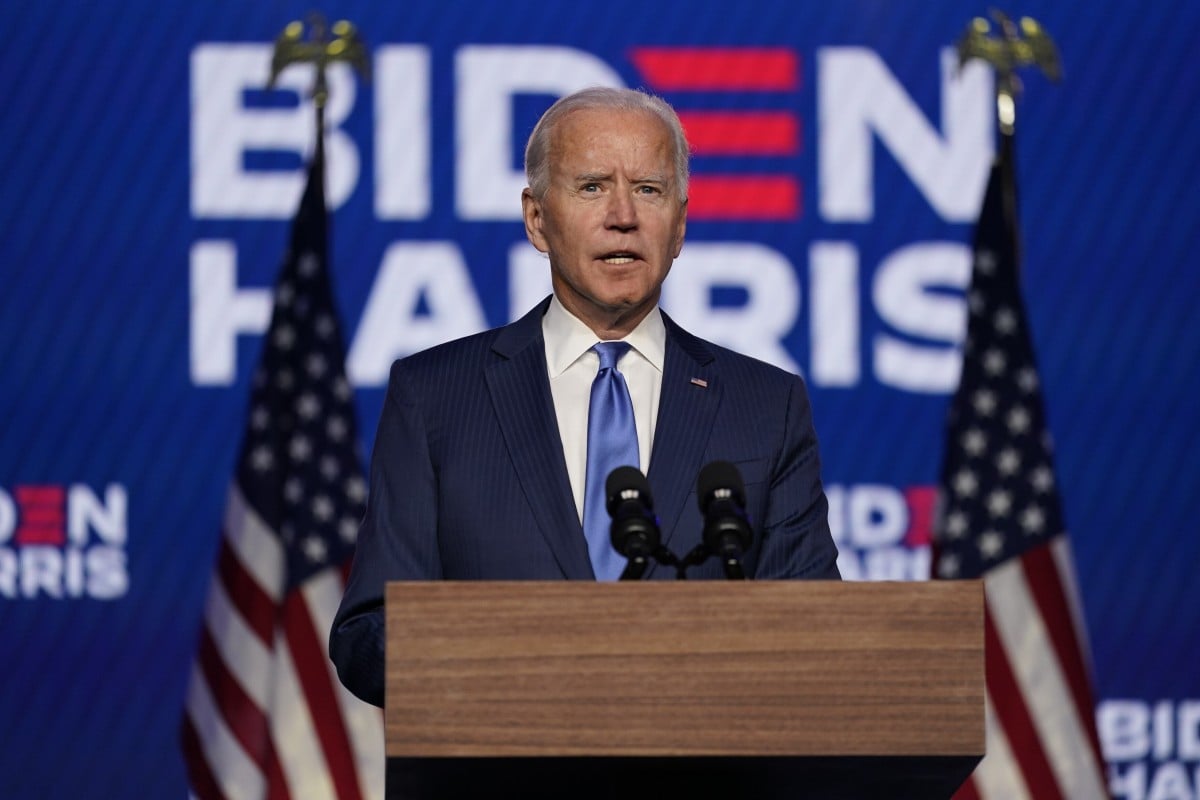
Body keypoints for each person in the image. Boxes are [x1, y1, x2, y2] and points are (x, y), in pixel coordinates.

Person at [330, 87, 840, 709]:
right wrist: (545, 667)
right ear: (537, 219)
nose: (622, 215)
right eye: (593, 186)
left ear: (679, 224)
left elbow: (813, 641)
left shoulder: (765, 405)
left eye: (649, 190)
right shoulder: (435, 395)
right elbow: (369, 635)